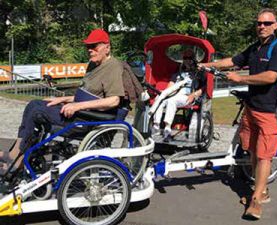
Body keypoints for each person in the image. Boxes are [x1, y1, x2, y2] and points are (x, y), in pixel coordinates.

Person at [198, 8, 277, 219]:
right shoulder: (256, 47)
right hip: (252, 107)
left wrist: (241, 79)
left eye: (267, 23)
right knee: (253, 151)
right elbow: (233, 60)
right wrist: (207, 65)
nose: (262, 26)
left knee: (265, 155)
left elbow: (270, 77)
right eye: (259, 23)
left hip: (269, 110)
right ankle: (262, 189)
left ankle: (256, 200)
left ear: (276, 25)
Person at [0, 29, 125, 175]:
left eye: (94, 46)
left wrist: (77, 106)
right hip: (80, 111)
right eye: (87, 47)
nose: (90, 50)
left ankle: (17, 159)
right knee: (33, 104)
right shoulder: (93, 65)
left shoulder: (113, 67)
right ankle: (15, 152)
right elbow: (87, 96)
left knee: (37, 112)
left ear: (107, 47)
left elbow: (114, 100)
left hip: (86, 120)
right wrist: (63, 99)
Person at [153, 49, 205, 141]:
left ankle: (167, 129)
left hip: (188, 96)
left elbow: (204, 87)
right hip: (175, 94)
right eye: (185, 58)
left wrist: (194, 94)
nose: (187, 60)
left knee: (171, 101)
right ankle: (156, 126)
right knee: (160, 99)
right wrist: (163, 93)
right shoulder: (178, 74)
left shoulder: (198, 73)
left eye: (190, 58)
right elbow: (170, 86)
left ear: (194, 60)